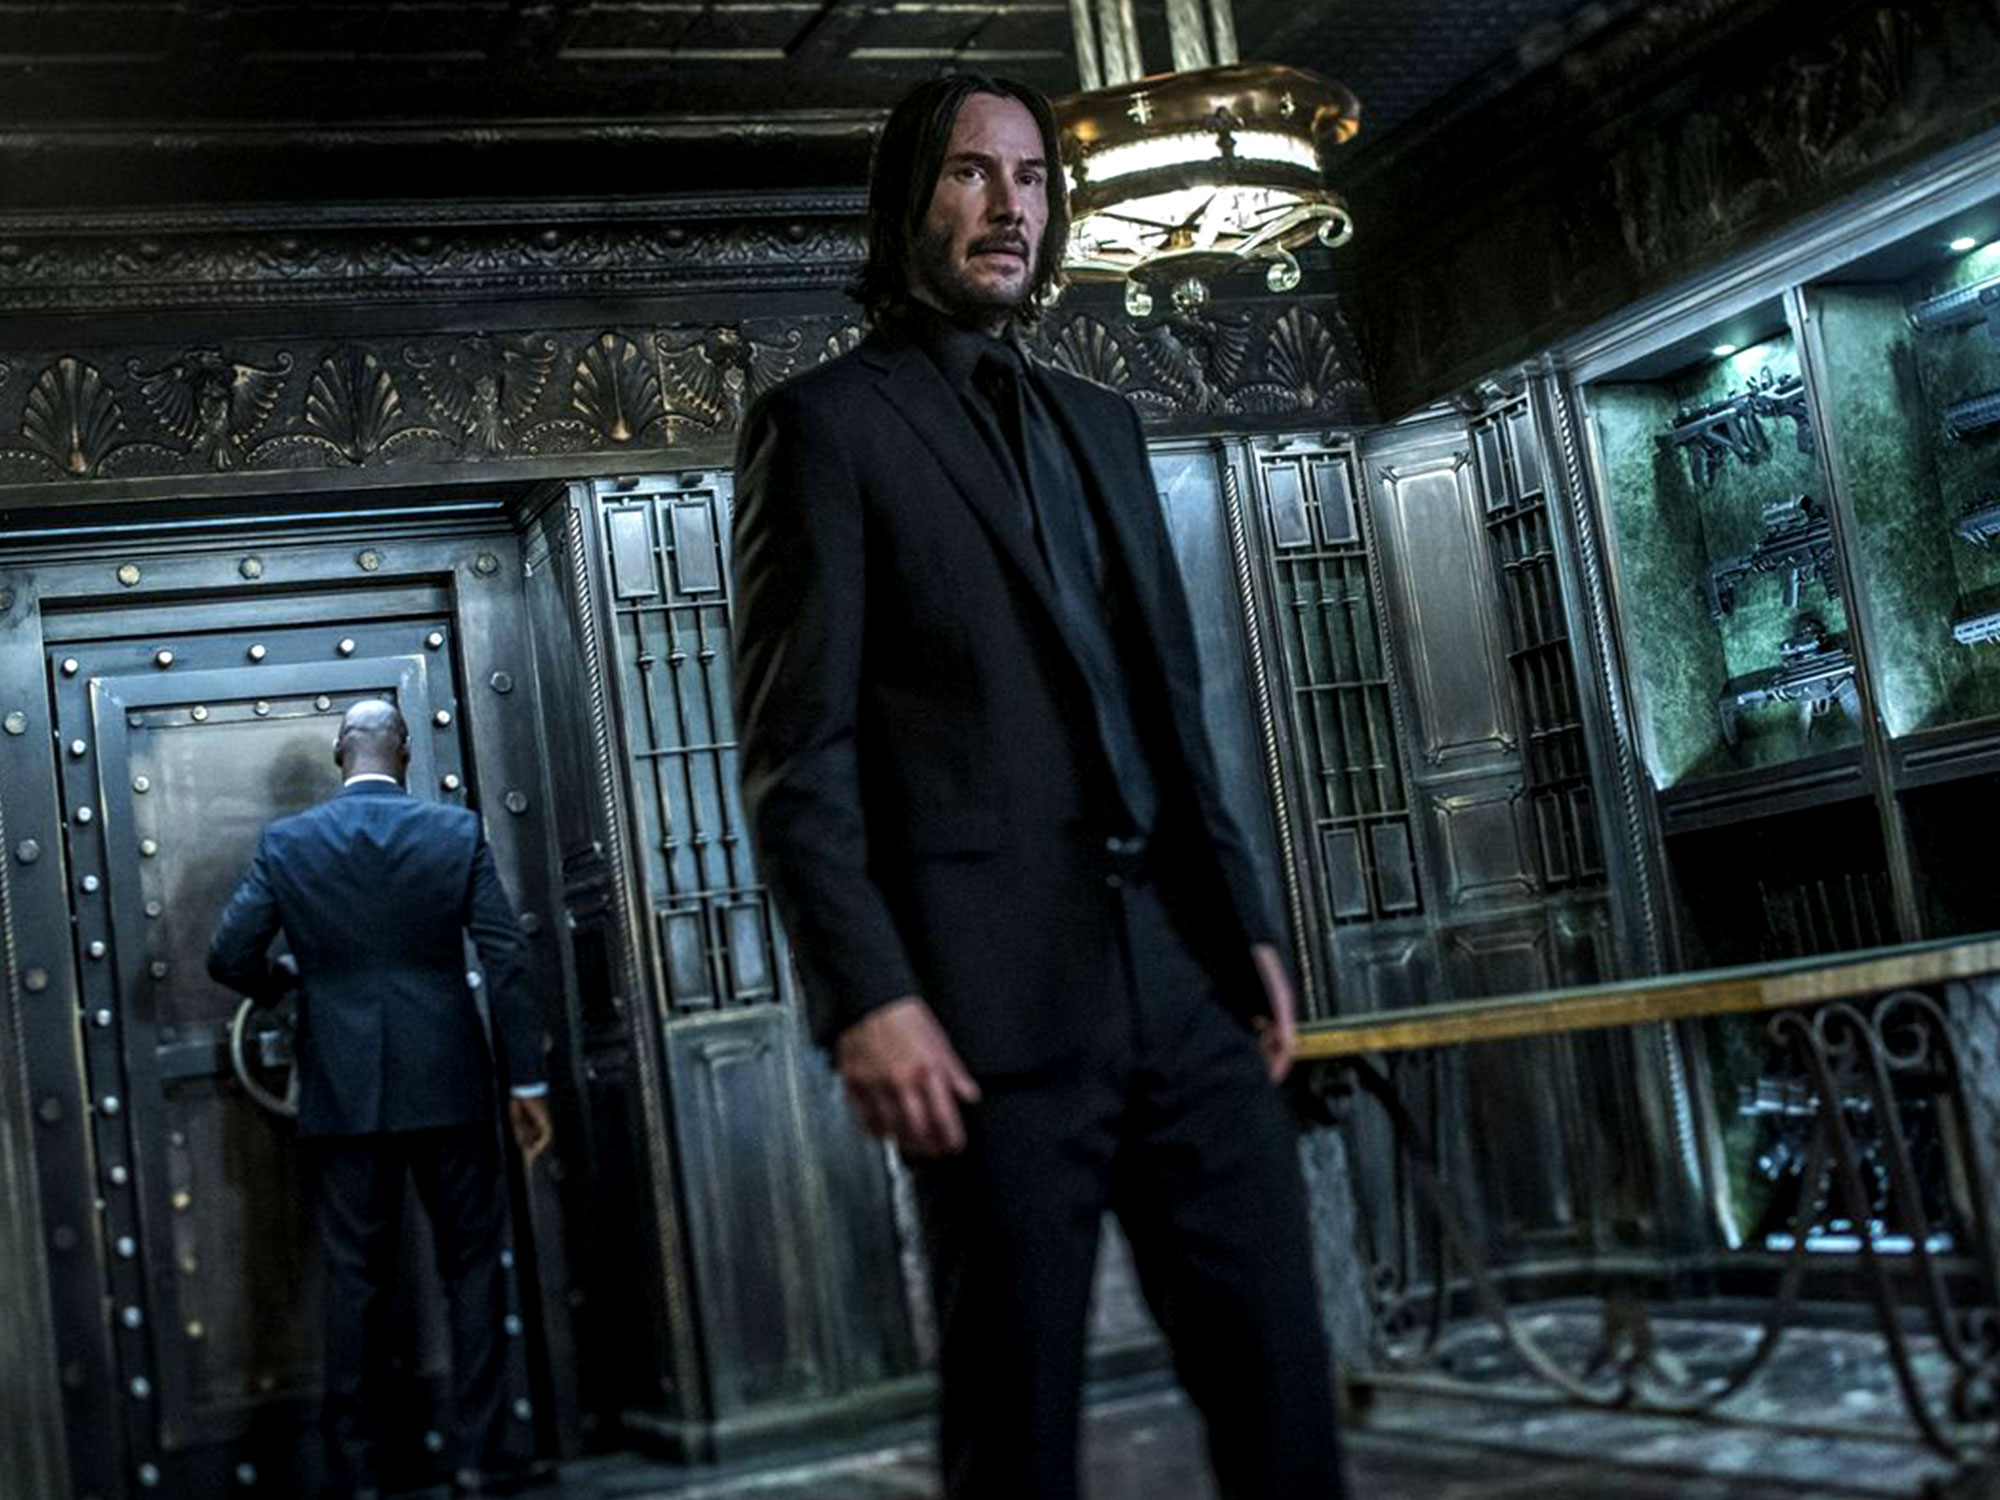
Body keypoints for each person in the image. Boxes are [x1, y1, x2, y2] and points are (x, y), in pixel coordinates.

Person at [730, 73, 1346, 1500]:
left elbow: (1171, 711)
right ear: (906, 204)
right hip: (986, 1012)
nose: (1009, 205)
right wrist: (866, 998)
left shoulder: (1101, 422)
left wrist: (1246, 926)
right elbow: (795, 753)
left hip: (1182, 978)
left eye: (1032, 177)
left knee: (1282, 1398)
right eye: (970, 173)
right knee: (1015, 1443)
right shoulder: (824, 427)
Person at [207, 699, 554, 1500]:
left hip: (342, 1086)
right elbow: (505, 961)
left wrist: (292, 985)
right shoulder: (454, 833)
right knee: (473, 1268)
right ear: (404, 751)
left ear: (341, 753)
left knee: (353, 1277)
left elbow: (228, 955)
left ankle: (357, 1475)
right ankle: (481, 1457)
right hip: (452, 1083)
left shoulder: (288, 844)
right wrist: (526, 1080)